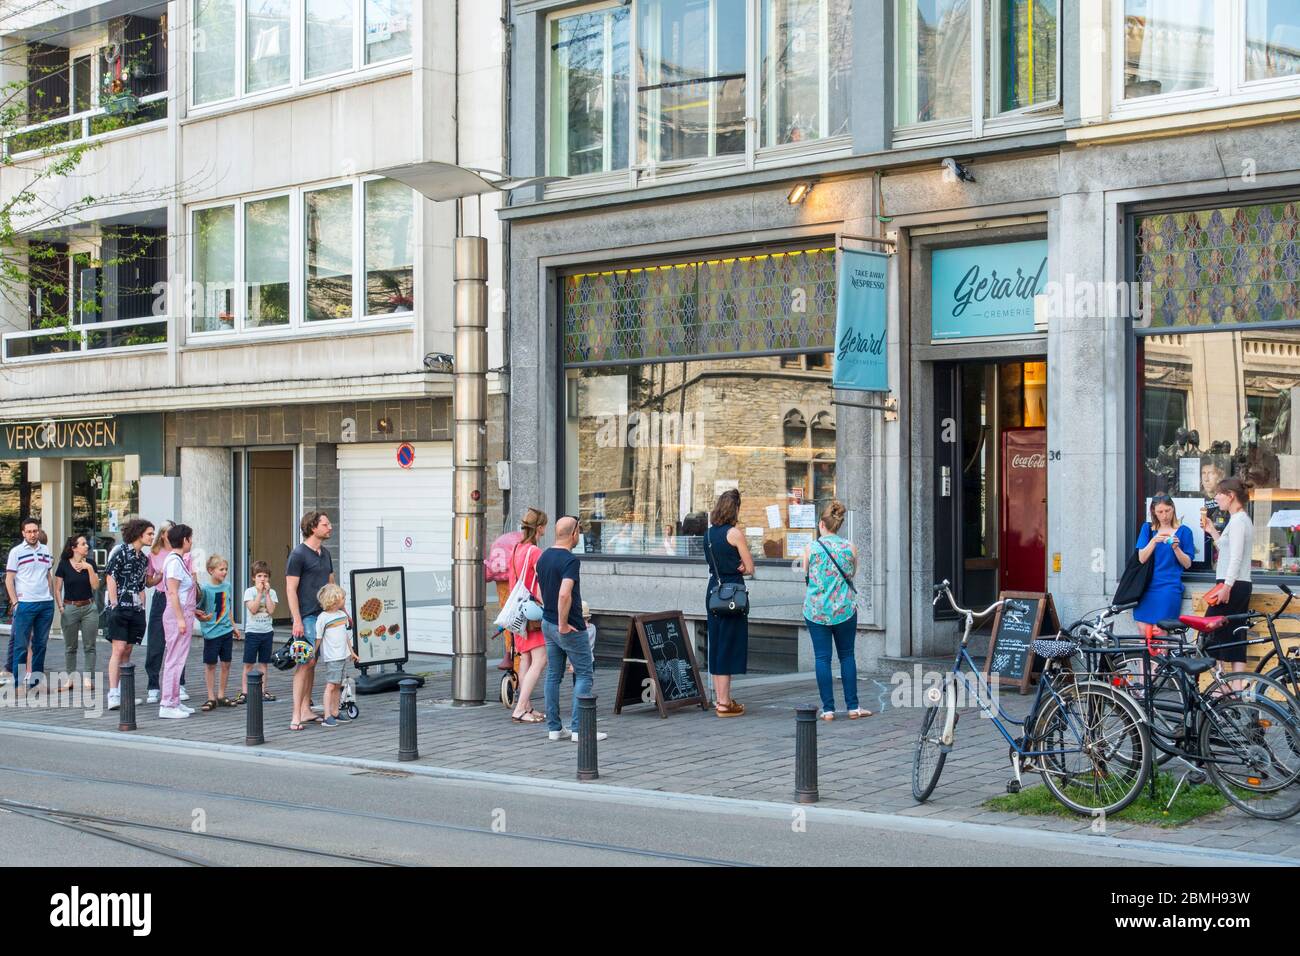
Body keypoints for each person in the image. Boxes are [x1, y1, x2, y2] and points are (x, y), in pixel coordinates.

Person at [537, 515, 606, 743]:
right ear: (574, 533)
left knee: (553, 675)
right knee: (584, 673)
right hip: (569, 626)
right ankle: (579, 729)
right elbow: (565, 593)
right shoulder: (570, 561)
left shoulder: (544, 556)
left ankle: (555, 728)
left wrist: (554, 618)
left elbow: (539, 592)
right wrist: (564, 623)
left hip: (547, 623)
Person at [802, 500, 869, 720]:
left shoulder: (811, 548)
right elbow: (852, 574)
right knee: (847, 656)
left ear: (822, 523)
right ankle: (853, 707)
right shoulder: (850, 548)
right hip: (845, 610)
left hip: (817, 611)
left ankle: (828, 709)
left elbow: (806, 576)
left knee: (822, 658)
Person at [704, 489, 753, 717]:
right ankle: (724, 703)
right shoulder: (734, 533)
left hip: (714, 591)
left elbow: (712, 564)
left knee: (716, 644)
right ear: (735, 509)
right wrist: (742, 567)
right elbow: (750, 567)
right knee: (728, 646)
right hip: (732, 593)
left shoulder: (708, 534)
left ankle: (720, 699)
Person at [286, 511, 335, 729]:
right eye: (325, 524)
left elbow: (331, 585)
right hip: (306, 616)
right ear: (313, 527)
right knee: (304, 663)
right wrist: (296, 620)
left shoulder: (325, 553)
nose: (330, 527)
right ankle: (296, 714)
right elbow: (290, 589)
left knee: (313, 663)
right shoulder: (298, 554)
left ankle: (306, 708)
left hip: (324, 616)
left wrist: (343, 613)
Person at [104, 518, 156, 710]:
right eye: (150, 533)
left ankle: (124, 693)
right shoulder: (119, 551)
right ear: (139, 533)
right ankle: (113, 694)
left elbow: (143, 584)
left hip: (135, 609)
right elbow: (111, 577)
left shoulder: (143, 558)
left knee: (127, 650)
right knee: (117, 649)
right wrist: (114, 603)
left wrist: (143, 606)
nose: (152, 537)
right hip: (120, 607)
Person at [1202, 477, 1254, 666]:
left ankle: (1220, 688)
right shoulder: (1239, 519)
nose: (1215, 498)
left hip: (1231, 584)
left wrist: (1227, 586)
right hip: (1236, 583)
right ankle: (1234, 687)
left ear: (1230, 496)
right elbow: (1228, 550)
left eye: (1219, 494)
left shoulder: (1239, 521)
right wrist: (1212, 531)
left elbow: (1236, 557)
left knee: (1209, 631)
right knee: (1234, 636)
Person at [1133, 493, 1194, 640]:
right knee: (1143, 630)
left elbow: (1187, 563)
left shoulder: (1184, 531)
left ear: (1173, 509)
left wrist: (1176, 548)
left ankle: (1159, 663)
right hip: (1146, 587)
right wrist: (1154, 541)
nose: (1164, 515)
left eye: (1167, 510)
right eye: (1160, 512)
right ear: (1153, 512)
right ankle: (1144, 663)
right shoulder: (1148, 529)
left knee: (1160, 633)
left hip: (1168, 587)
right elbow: (1141, 558)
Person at [5, 517, 55, 693]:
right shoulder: (16, 552)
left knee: (40, 645)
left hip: (45, 604)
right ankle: (18, 684)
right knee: (20, 644)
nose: (33, 534)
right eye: (29, 532)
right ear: (23, 533)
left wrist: (52, 596)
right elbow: (9, 579)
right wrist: (15, 602)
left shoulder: (46, 550)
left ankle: (36, 682)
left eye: (35, 531)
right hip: (25, 603)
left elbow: (48, 575)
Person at [508, 508, 548, 724]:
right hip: (531, 613)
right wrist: (548, 605)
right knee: (541, 659)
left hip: (516, 612)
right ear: (540, 528)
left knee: (525, 659)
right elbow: (539, 585)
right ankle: (520, 708)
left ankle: (526, 706)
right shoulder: (535, 552)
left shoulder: (516, 548)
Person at [145, 522, 187, 704]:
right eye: (168, 532)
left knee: (178, 642)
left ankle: (179, 683)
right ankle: (153, 685)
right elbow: (148, 582)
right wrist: (160, 576)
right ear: (162, 535)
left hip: (178, 598)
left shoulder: (183, 554)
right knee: (156, 641)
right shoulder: (154, 554)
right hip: (161, 596)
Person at [160, 524, 198, 719]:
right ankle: (167, 702)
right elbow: (173, 592)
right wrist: (181, 619)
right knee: (174, 659)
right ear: (185, 540)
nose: (192, 542)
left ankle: (175, 700)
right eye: (190, 538)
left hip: (184, 613)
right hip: (178, 614)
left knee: (178, 658)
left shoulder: (178, 560)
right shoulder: (174, 562)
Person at [54, 534, 99, 692]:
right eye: (83, 544)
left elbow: (95, 586)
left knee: (90, 646)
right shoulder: (64, 564)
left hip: (89, 608)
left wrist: (89, 568)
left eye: (86, 544)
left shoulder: (91, 563)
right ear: (74, 548)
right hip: (70, 608)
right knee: (70, 647)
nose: (87, 546)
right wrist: (61, 607)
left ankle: (88, 679)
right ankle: (70, 680)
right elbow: (57, 589)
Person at [198, 554, 240, 711]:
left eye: (226, 569)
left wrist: (234, 625)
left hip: (226, 631)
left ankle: (221, 695)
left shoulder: (227, 586)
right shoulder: (205, 589)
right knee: (210, 664)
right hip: (211, 632)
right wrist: (203, 617)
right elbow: (198, 609)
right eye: (221, 569)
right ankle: (210, 697)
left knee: (226, 663)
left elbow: (227, 608)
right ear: (211, 570)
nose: (224, 572)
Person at [314, 583, 358, 728]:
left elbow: (346, 635)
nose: (344, 601)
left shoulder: (341, 615)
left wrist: (351, 652)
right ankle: (327, 716)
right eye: (342, 598)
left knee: (338, 685)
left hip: (342, 656)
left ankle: (335, 711)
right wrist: (313, 653)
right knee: (331, 685)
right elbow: (318, 638)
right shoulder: (323, 618)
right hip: (332, 657)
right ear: (334, 600)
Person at [237, 560, 278, 704]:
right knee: (248, 663)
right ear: (254, 577)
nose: (263, 579)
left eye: (265, 576)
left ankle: (262, 690)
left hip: (267, 632)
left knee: (264, 663)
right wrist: (259, 594)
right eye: (259, 575)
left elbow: (271, 610)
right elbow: (253, 609)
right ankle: (245, 692)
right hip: (253, 632)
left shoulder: (272, 593)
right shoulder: (249, 592)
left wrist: (266, 594)